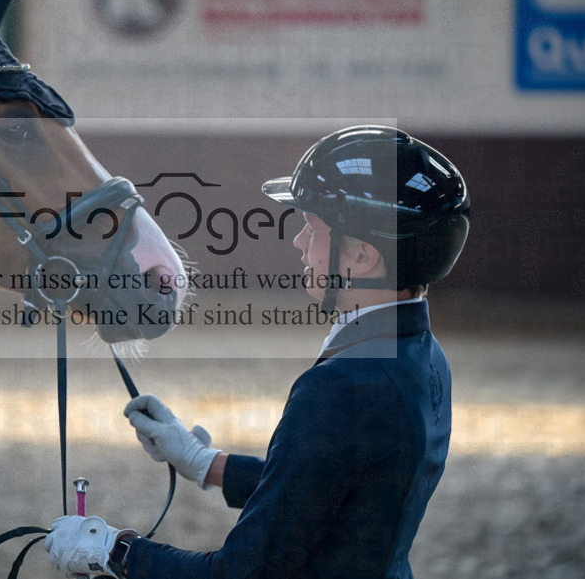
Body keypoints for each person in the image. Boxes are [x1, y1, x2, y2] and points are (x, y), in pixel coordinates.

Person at [44, 125, 471, 578]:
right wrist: (203, 462)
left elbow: (241, 573)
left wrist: (114, 551)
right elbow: (320, 489)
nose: (299, 242)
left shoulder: (340, 387)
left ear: (363, 256)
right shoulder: (424, 355)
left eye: (312, 229)